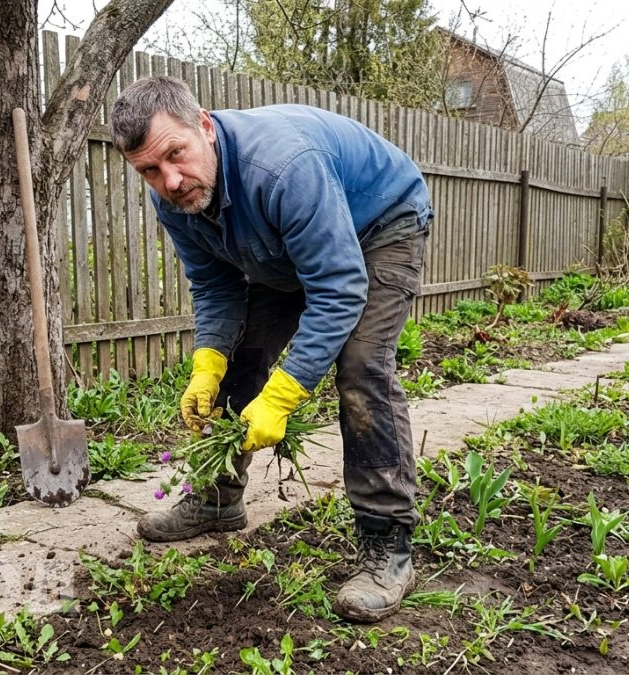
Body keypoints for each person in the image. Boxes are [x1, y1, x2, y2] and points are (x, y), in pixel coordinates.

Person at [109, 76, 433, 623]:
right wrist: (208, 363)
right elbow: (215, 286)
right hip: (282, 245)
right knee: (239, 360)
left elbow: (337, 287)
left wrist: (282, 397)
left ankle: (387, 546)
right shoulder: (176, 198)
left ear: (205, 127)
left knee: (360, 367)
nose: (169, 179)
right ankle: (218, 499)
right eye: (149, 170)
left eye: (175, 154)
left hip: (380, 224)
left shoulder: (283, 166)